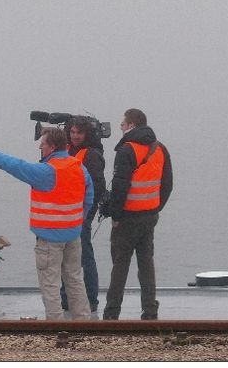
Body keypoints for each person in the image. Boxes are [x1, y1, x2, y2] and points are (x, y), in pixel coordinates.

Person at [0, 127, 93, 320]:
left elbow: (12, 164)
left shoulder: (46, 172)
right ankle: (84, 322)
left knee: (50, 285)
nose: (40, 146)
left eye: (43, 143)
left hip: (49, 238)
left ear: (51, 147)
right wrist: (77, 221)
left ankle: (57, 328)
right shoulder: (79, 167)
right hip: (73, 235)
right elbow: (88, 198)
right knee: (75, 280)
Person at [102, 108, 172, 320]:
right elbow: (167, 185)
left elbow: (120, 188)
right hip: (149, 216)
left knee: (120, 265)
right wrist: (155, 208)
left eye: (122, 124)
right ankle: (150, 309)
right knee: (146, 264)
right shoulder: (160, 149)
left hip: (128, 218)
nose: (121, 128)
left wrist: (115, 216)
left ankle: (112, 312)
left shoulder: (126, 151)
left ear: (131, 125)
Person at [60, 115, 107, 313]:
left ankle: (90, 298)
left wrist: (87, 211)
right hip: (65, 212)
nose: (75, 136)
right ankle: (66, 298)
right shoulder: (65, 151)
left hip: (82, 213)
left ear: (86, 134)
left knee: (85, 256)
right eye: (72, 132)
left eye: (79, 133)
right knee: (65, 256)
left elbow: (98, 186)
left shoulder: (92, 155)